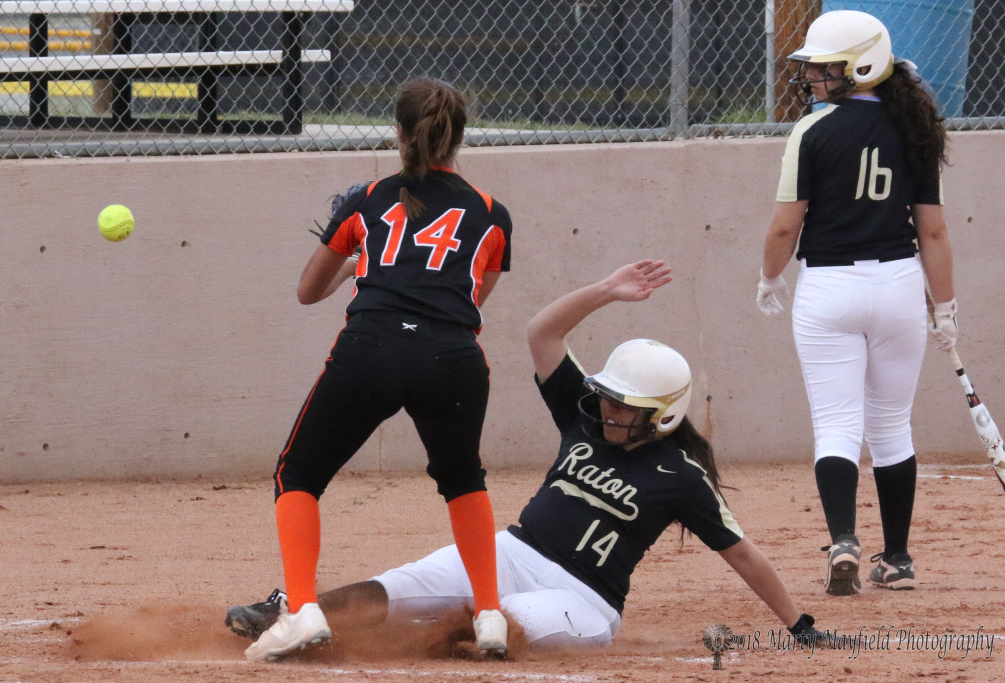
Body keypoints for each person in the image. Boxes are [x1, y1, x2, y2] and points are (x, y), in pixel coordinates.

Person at [229, 260, 828, 651]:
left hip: (583, 601)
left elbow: (743, 555)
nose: (610, 411)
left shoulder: (681, 475)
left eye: (626, 407)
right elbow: (542, 333)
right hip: (511, 554)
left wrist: (799, 626)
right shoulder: (585, 418)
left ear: (664, 415)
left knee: (499, 625)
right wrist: (606, 292)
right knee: (401, 585)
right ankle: (296, 614)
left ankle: (389, 647)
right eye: (609, 398)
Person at [244, 76, 513, 662]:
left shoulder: (366, 198)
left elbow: (307, 292)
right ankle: (490, 615)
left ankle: (303, 610)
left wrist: (356, 260)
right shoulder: (494, 214)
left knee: (299, 475)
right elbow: (470, 302)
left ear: (399, 134)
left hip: (373, 346)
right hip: (453, 356)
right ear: (458, 138)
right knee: (463, 477)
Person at [755, 10, 957, 596]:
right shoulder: (917, 129)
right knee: (893, 426)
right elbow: (934, 233)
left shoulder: (811, 131)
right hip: (898, 285)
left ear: (861, 65)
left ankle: (843, 538)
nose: (815, 77)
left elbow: (783, 228)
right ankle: (897, 559)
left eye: (825, 68)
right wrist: (944, 307)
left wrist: (769, 278)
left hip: (829, 290)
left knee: (837, 425)